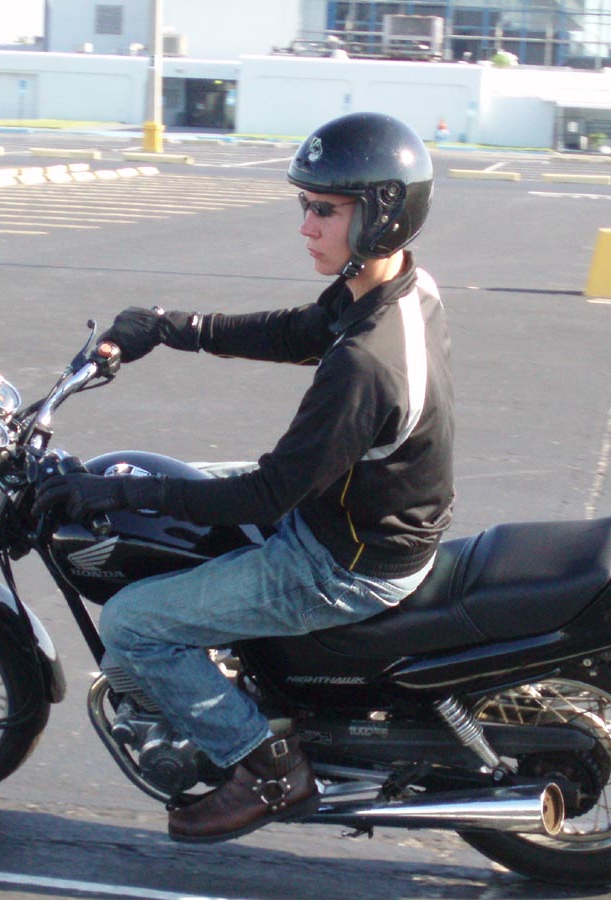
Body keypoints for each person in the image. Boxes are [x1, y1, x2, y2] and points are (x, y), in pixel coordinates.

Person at [33, 111, 455, 843]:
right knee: (173, 487)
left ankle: (266, 769)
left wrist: (115, 492)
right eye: (305, 204)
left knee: (133, 622)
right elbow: (298, 331)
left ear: (382, 214)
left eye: (326, 210)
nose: (306, 226)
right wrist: (172, 327)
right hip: (360, 513)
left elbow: (265, 494)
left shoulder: (367, 363)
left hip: (344, 561)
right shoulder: (401, 291)